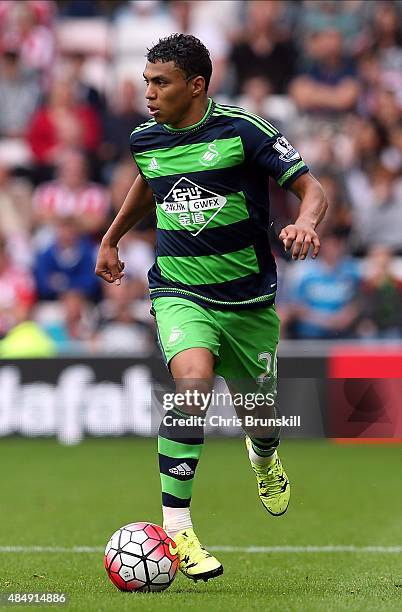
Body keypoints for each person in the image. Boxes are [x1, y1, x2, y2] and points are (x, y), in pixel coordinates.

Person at [95, 34, 327, 583]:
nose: (147, 92)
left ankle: (265, 455)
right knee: (192, 384)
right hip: (181, 290)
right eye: (147, 80)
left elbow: (313, 189)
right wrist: (111, 239)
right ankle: (177, 527)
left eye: (161, 82)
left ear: (196, 86)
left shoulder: (245, 130)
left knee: (261, 420)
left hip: (248, 299)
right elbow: (149, 185)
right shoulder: (145, 138)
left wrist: (305, 223)